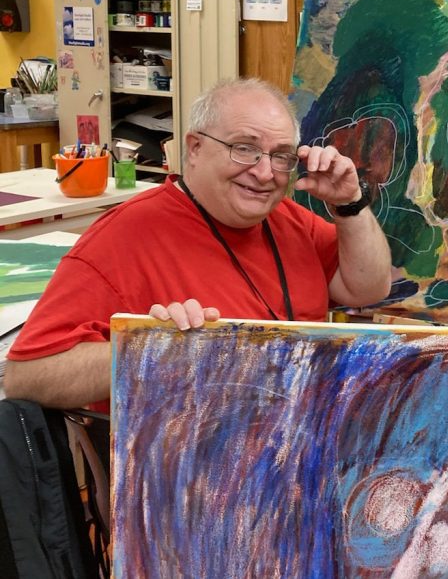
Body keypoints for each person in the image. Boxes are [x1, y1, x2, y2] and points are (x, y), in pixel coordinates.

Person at [4, 77, 392, 410]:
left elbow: (368, 288)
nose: (264, 173)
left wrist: (350, 204)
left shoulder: (289, 220)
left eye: (280, 156)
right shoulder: (124, 237)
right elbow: (27, 376)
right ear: (194, 148)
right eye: (244, 148)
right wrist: (149, 350)